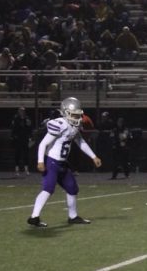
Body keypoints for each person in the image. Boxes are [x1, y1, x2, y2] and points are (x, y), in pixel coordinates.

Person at [27, 97, 102, 227]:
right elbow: (43, 144)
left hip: (62, 163)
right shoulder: (59, 124)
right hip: (51, 162)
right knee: (48, 188)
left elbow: (80, 141)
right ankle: (34, 217)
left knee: (72, 188)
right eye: (73, 114)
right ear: (65, 112)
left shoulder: (75, 125)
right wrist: (40, 161)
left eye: (78, 114)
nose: (76, 117)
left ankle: (73, 217)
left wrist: (93, 156)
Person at [11, 106, 33, 176]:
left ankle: (26, 169)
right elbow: (13, 128)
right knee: (17, 154)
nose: (22, 112)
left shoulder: (27, 118)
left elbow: (30, 128)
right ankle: (17, 169)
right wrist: (13, 136)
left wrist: (30, 137)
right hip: (18, 138)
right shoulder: (16, 118)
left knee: (26, 154)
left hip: (25, 138)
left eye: (23, 111)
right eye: (20, 111)